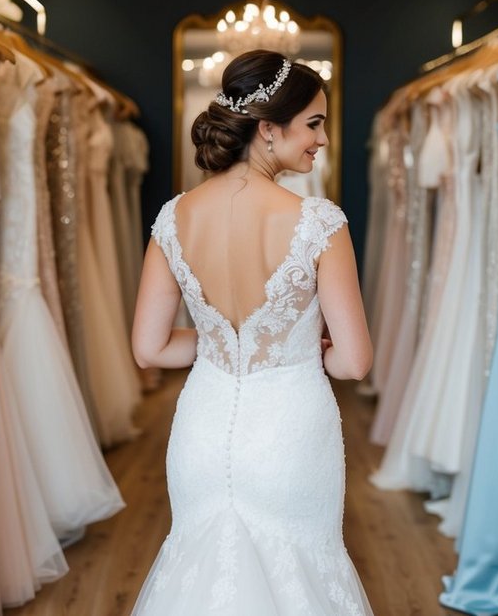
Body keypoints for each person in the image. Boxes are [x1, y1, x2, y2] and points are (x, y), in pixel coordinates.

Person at [130, 49, 374, 614]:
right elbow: (354, 362)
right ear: (268, 129)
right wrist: (299, 347)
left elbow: (151, 347)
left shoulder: (173, 217)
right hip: (291, 433)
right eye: (313, 123)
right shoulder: (319, 223)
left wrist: (223, 345)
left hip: (203, 430)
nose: (322, 139)